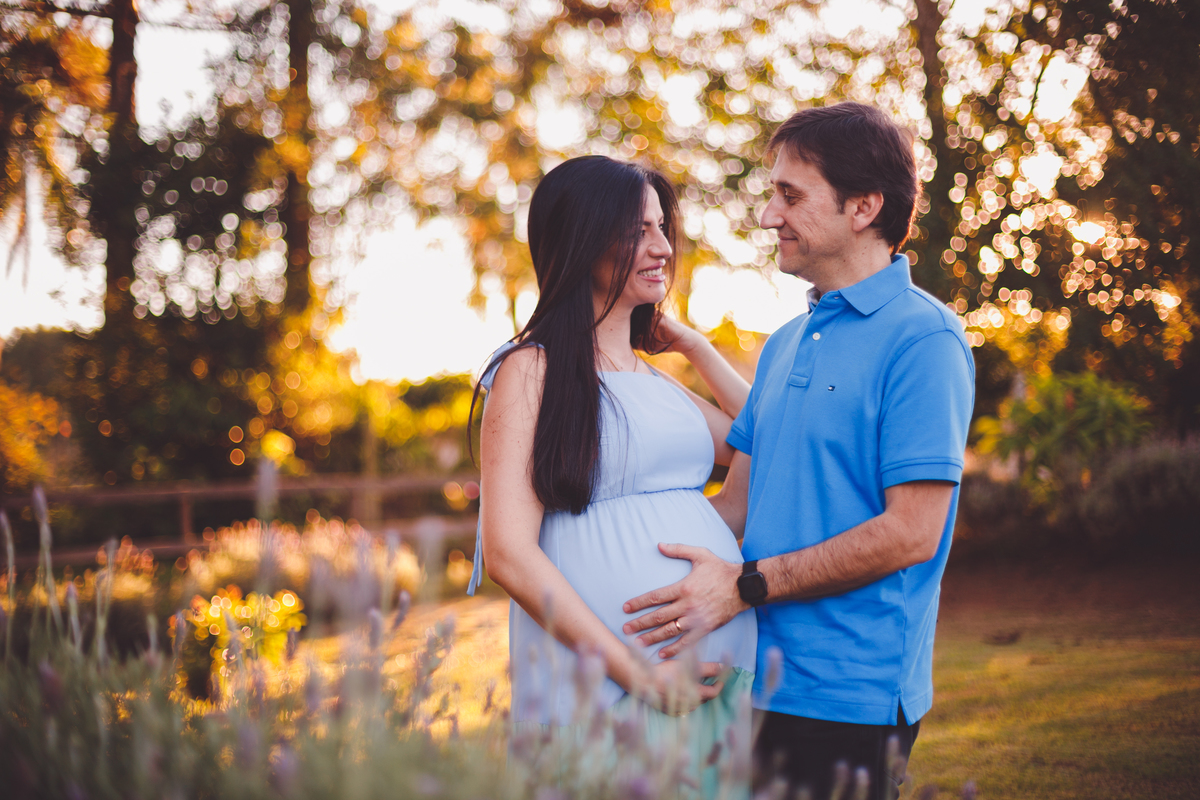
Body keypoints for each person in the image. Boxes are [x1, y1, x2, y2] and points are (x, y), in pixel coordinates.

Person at [620, 102, 976, 800]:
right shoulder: (786, 342)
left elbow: (912, 532)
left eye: (790, 195)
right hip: (750, 672)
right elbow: (735, 509)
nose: (767, 216)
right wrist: (585, 543)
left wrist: (744, 586)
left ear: (863, 207)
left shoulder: (925, 340)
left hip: (850, 698)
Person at [466, 155, 757, 797]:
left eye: (662, 228)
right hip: (605, 695)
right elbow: (509, 554)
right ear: (580, 242)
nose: (662, 248)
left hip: (712, 687)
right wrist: (639, 675)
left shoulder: (660, 385)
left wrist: (696, 347)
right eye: (636, 232)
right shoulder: (531, 370)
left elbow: (765, 436)